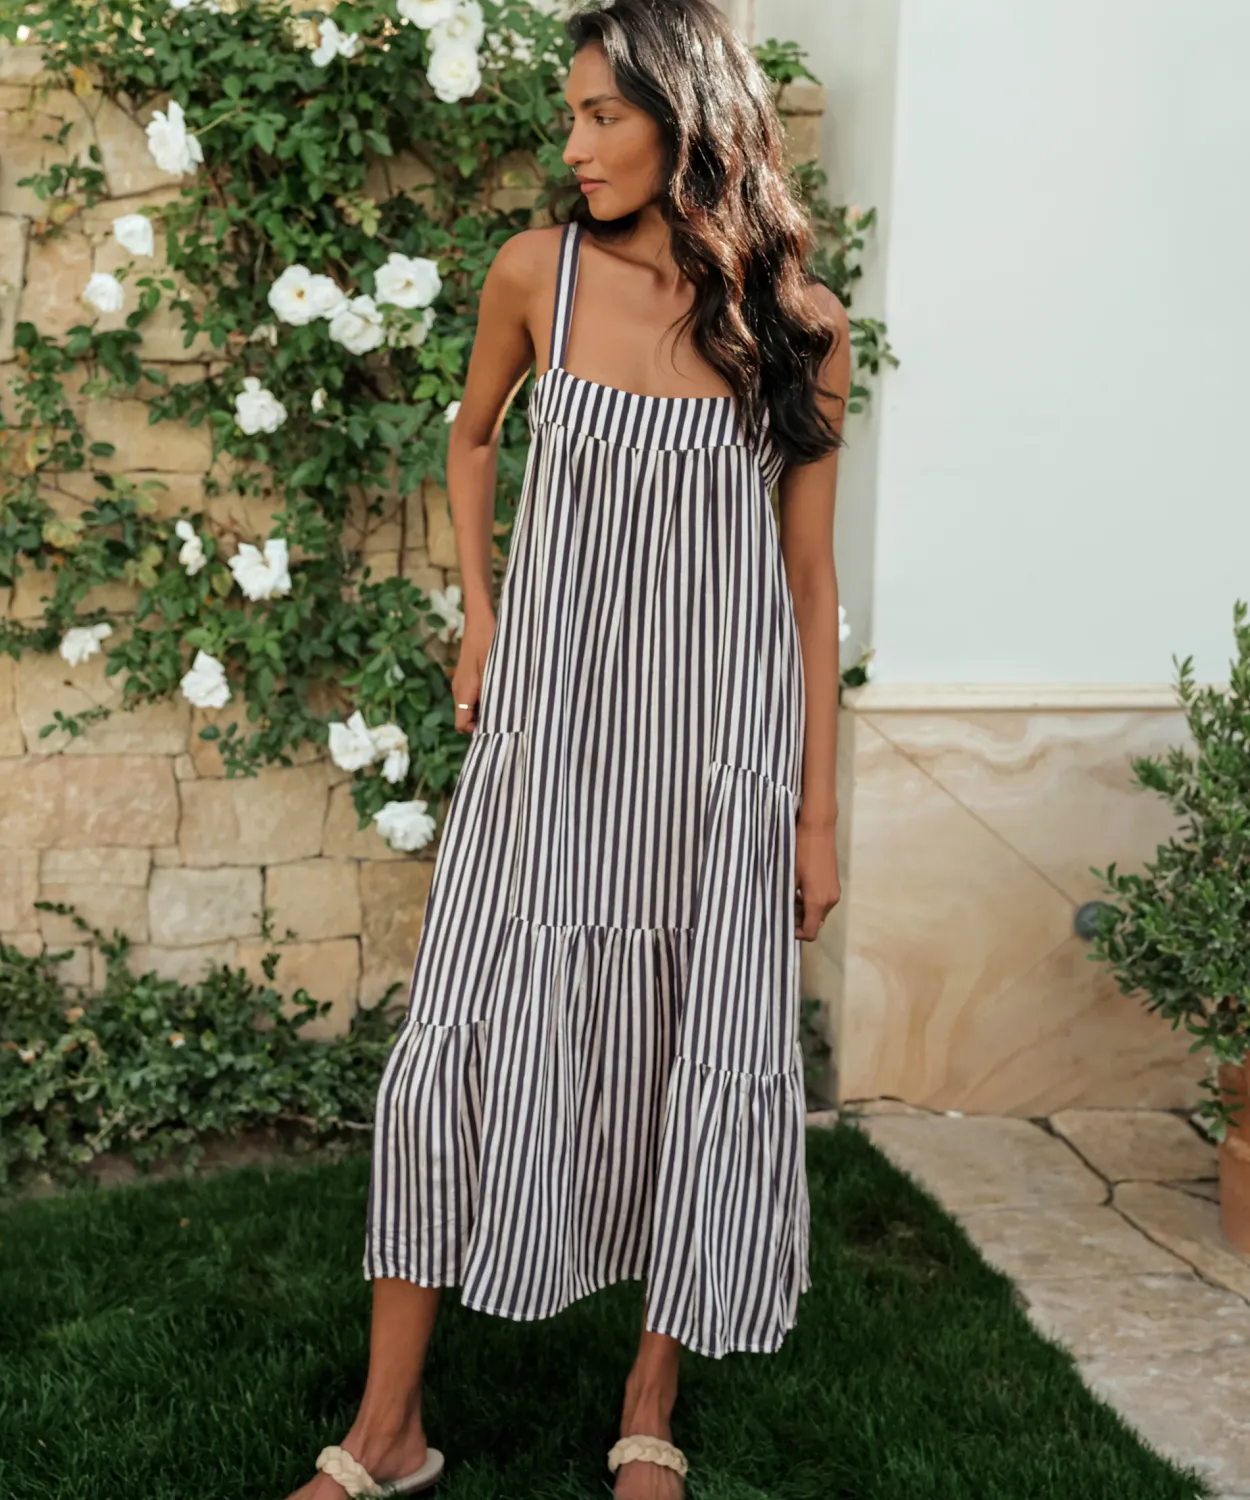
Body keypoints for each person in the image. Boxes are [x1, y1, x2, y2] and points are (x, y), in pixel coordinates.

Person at [287, 0, 847, 1495]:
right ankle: (386, 1430)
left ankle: (648, 1400)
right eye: (570, 116)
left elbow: (807, 585)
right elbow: (472, 436)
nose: (575, 144)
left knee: (693, 1050)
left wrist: (814, 815)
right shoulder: (538, 270)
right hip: (552, 737)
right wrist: (481, 617)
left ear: (686, 117)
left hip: (713, 755)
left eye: (603, 114)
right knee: (450, 1053)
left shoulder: (795, 325)